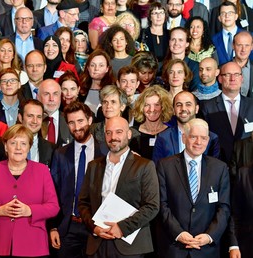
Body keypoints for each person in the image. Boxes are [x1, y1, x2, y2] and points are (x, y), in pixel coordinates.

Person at [0, 124, 60, 257]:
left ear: (29, 147)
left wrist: (30, 211)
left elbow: (53, 207)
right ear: (5, 146)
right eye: (13, 143)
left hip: (33, 245)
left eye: (23, 143)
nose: (18, 148)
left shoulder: (42, 171)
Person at [78, 116, 160, 257]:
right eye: (109, 132)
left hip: (129, 246)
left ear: (129, 134)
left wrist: (122, 228)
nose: (113, 137)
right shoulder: (94, 166)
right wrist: (94, 227)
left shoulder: (145, 166)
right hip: (98, 243)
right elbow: (83, 203)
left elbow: (152, 206)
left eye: (118, 132)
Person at [156, 118, 230, 258]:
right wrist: (179, 233)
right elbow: (162, 205)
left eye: (203, 138)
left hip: (207, 249)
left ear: (208, 140)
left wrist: (209, 236)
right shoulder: (165, 166)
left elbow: (224, 208)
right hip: (174, 247)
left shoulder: (219, 168)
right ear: (184, 138)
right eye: (193, 137)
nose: (198, 142)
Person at [49, 102, 105, 258]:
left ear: (89, 120)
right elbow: (53, 191)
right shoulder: (60, 154)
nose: (76, 127)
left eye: (80, 121)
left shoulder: (106, 152)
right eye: (71, 123)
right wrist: (53, 227)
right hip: (68, 227)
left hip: (96, 227)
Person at [200, 61, 253, 163]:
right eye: (227, 75)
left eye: (236, 75)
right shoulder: (207, 107)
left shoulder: (252, 105)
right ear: (220, 79)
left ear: (242, 79)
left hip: (248, 167)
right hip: (218, 166)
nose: (232, 79)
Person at [152, 91, 220, 165]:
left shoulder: (212, 138)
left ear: (196, 109)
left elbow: (215, 170)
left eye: (188, 104)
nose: (183, 108)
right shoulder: (163, 137)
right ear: (174, 110)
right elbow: (157, 168)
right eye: (179, 105)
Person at [0, 99, 57, 166]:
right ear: (20, 118)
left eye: (39, 117)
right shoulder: (2, 144)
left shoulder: (51, 148)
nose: (35, 121)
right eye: (30, 116)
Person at [132, 86, 173, 159]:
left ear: (163, 107)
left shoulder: (171, 134)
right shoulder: (132, 133)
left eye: (156, 105)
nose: (151, 109)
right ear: (141, 107)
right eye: (147, 105)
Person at [38, 79, 73, 146]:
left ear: (60, 97)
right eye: (46, 94)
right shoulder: (32, 122)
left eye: (55, 94)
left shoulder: (69, 120)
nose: (51, 99)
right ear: (38, 97)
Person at [79, 49, 115, 114]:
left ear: (107, 69)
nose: (96, 69)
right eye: (92, 65)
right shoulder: (80, 89)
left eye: (101, 65)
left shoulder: (113, 90)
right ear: (88, 68)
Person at [212, 1, 244, 66]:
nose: (227, 16)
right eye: (223, 13)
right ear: (219, 18)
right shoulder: (213, 40)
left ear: (236, 16)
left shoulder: (249, 37)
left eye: (230, 13)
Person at [233, 31, 253, 97]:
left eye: (247, 45)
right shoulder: (222, 68)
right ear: (233, 46)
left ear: (252, 47)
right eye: (239, 45)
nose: (243, 49)